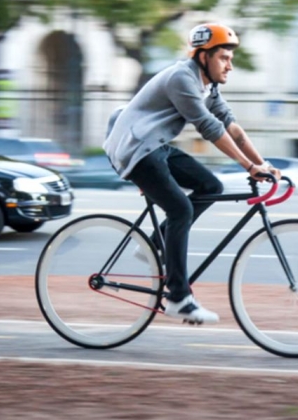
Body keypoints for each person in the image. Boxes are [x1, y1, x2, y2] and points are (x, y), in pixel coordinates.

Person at [103, 23, 280, 324]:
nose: (230, 65)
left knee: (211, 185)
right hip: (135, 150)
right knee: (180, 209)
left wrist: (262, 164)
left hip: (155, 147)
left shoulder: (209, 87)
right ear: (203, 57)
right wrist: (248, 167)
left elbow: (232, 128)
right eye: (224, 58)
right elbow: (210, 128)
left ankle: (154, 245)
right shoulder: (181, 78)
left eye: (230, 59)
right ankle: (178, 298)